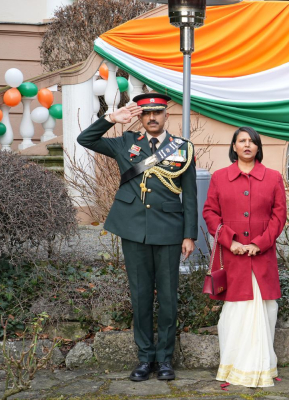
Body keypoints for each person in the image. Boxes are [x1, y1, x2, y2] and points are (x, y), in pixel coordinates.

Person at [77, 93, 198, 382]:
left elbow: (191, 196)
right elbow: (86, 140)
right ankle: (145, 358)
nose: (152, 118)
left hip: (169, 230)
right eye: (146, 114)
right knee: (141, 296)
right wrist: (110, 119)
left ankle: (165, 359)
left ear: (166, 116)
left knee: (168, 298)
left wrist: (189, 234)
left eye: (157, 113)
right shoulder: (126, 143)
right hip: (134, 230)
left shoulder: (182, 149)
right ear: (140, 118)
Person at [202, 126, 287, 388]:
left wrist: (258, 244)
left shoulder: (273, 178)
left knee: (265, 309)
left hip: (262, 258)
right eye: (242, 141)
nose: (247, 145)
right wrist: (232, 241)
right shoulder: (219, 177)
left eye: (252, 141)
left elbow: (279, 216)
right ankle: (234, 366)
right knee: (234, 312)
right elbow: (210, 213)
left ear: (259, 148)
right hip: (232, 258)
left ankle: (261, 367)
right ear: (234, 147)